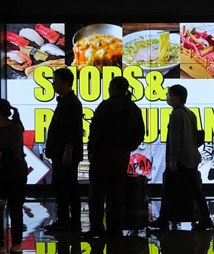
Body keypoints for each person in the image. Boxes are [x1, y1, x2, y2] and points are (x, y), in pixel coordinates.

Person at [88, 75, 143, 235]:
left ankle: (97, 227)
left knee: (97, 193)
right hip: (121, 156)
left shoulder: (106, 106)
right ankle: (115, 228)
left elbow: (95, 130)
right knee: (117, 193)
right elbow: (140, 133)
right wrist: (128, 147)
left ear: (113, 88)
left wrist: (92, 150)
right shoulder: (133, 108)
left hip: (102, 155)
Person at [161, 84, 214, 232]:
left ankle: (163, 221)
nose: (168, 98)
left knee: (168, 191)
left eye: (169, 95)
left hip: (180, 160)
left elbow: (175, 139)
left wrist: (173, 160)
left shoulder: (176, 114)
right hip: (191, 157)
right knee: (196, 191)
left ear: (177, 98)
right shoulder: (190, 113)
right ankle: (206, 219)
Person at [44, 68, 85, 232]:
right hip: (59, 152)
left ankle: (72, 222)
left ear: (65, 82)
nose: (53, 83)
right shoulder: (63, 102)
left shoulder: (72, 103)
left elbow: (73, 130)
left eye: (55, 80)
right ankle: (63, 220)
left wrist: (68, 150)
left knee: (68, 187)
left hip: (65, 153)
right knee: (61, 186)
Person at [0, 98, 28, 251]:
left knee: (14, 208)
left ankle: (16, 242)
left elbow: (13, 151)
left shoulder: (16, 127)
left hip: (14, 172)